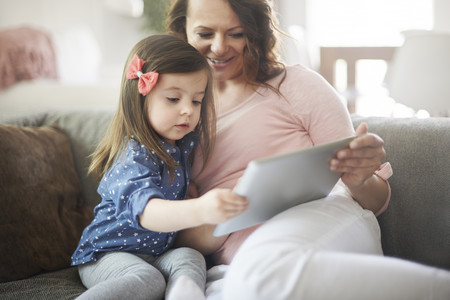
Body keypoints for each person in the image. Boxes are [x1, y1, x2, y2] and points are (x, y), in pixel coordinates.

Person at [166, 0, 450, 299]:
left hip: (323, 218)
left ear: (256, 31)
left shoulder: (296, 85)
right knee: (249, 281)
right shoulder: (171, 112)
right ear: (183, 29)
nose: (220, 47)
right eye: (205, 34)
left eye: (236, 33)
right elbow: (175, 233)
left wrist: (360, 180)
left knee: (260, 273)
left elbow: (374, 199)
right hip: (240, 261)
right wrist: (224, 211)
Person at [70, 34, 248, 300]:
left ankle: (185, 294)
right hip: (106, 254)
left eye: (196, 100)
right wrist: (201, 209)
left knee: (190, 257)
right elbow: (148, 214)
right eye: (174, 99)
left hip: (155, 253)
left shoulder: (181, 146)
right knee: (148, 279)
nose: (188, 110)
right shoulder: (132, 156)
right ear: (141, 98)